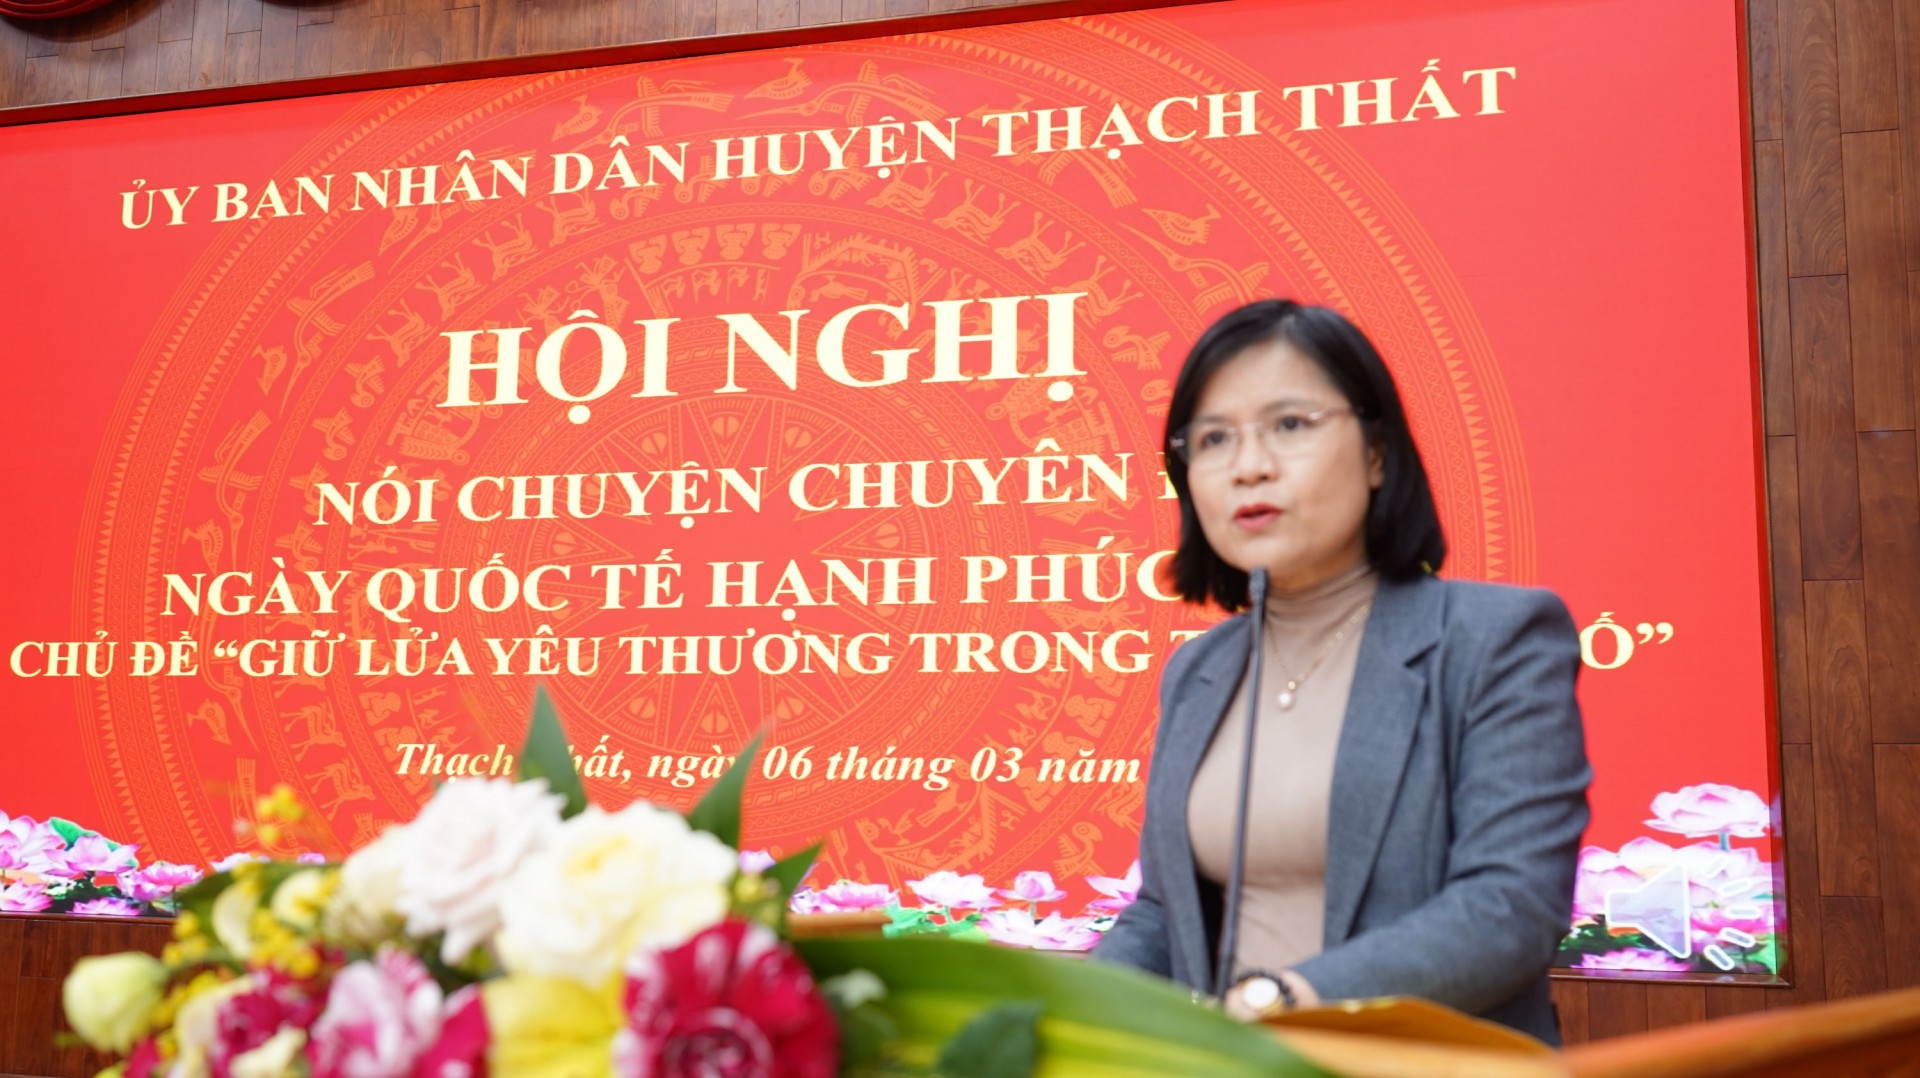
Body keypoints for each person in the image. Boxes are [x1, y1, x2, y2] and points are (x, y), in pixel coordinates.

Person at [1092, 299, 1590, 1044]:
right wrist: (1056, 1006)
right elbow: (1166, 915)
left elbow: (1509, 908)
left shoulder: (1495, 639)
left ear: (1377, 455)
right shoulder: (1199, 670)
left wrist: (1286, 1000)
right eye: (1215, 438)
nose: (1250, 466)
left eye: (1290, 425)